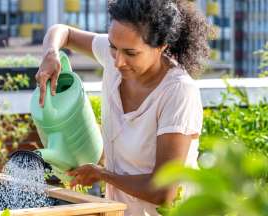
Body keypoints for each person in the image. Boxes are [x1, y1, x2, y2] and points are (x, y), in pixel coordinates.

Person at [35, 0, 210, 215]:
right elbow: (63, 32)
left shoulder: (178, 92)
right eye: (112, 47)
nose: (118, 62)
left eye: (131, 53)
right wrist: (50, 53)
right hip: (119, 209)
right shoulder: (118, 58)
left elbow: (164, 191)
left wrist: (102, 174)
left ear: (161, 46)